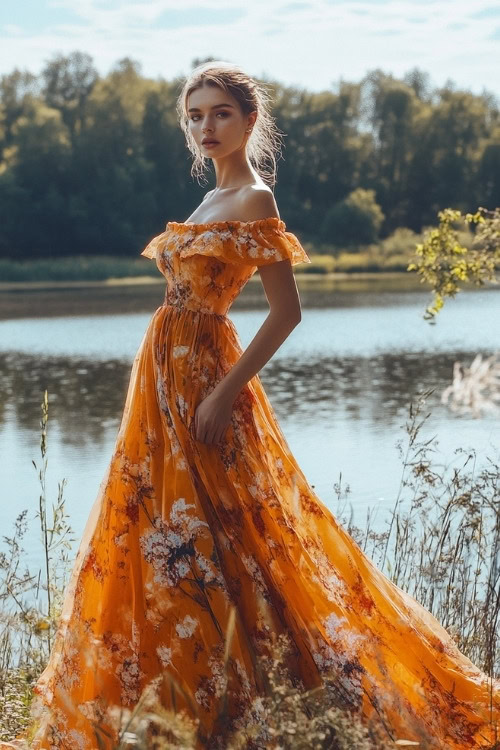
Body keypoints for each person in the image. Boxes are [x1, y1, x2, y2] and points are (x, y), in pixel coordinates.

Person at [7, 61, 499, 750]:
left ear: (249, 120)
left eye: (220, 114)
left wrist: (222, 392)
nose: (206, 127)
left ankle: (254, 702)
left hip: (209, 376)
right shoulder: (208, 203)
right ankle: (163, 699)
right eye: (196, 116)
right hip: (160, 380)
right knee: (157, 522)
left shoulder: (255, 200)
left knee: (243, 530)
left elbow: (286, 312)